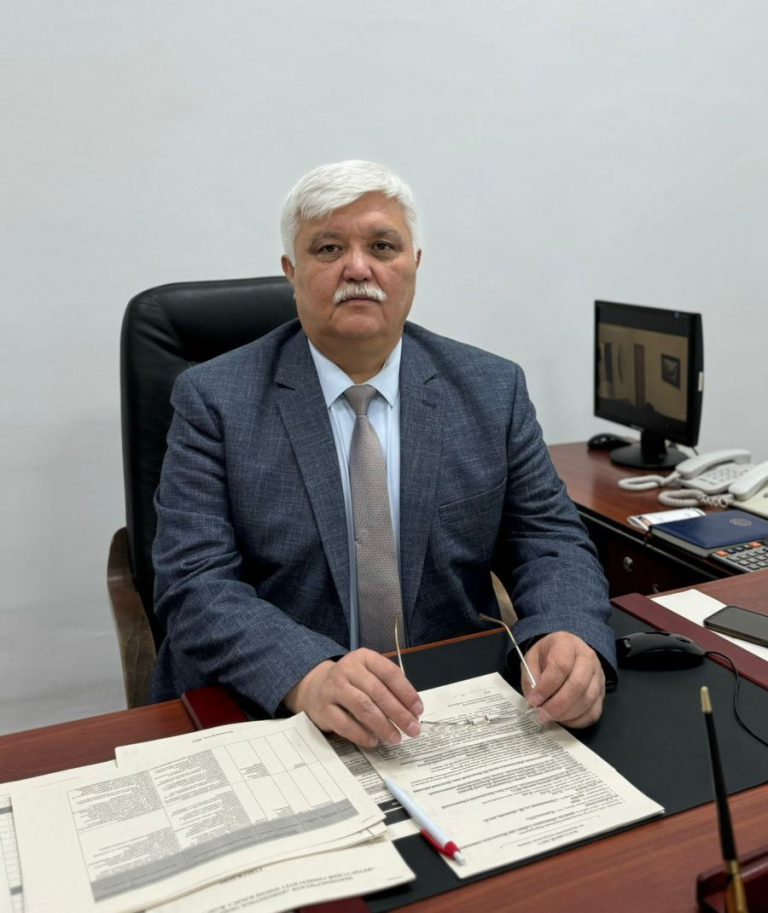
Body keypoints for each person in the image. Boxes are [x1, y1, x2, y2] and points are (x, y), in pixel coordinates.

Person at [150, 160, 616, 748]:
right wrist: (308, 675)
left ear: (414, 264)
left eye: (382, 246)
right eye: (328, 248)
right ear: (291, 270)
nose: (357, 268)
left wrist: (568, 631)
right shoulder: (214, 399)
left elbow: (548, 541)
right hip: (266, 709)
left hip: (443, 709)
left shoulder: (492, 390)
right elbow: (193, 581)